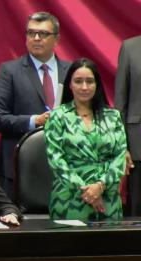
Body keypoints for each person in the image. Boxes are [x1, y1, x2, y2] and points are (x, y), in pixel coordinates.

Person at [0, 11, 70, 198]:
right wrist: (35, 121)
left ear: (56, 39)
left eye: (43, 34)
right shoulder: (9, 71)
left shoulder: (72, 71)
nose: (36, 38)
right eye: (31, 33)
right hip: (20, 168)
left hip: (67, 168)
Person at [45, 58, 127, 221]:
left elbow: (119, 157)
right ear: (70, 84)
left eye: (89, 81)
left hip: (107, 198)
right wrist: (87, 191)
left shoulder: (113, 116)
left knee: (113, 246)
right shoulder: (57, 116)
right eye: (78, 81)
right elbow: (56, 159)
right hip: (69, 198)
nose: (84, 87)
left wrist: (99, 186)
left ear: (97, 85)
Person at [115, 35, 141, 216]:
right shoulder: (130, 47)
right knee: (137, 208)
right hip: (137, 144)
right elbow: (120, 102)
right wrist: (122, 145)